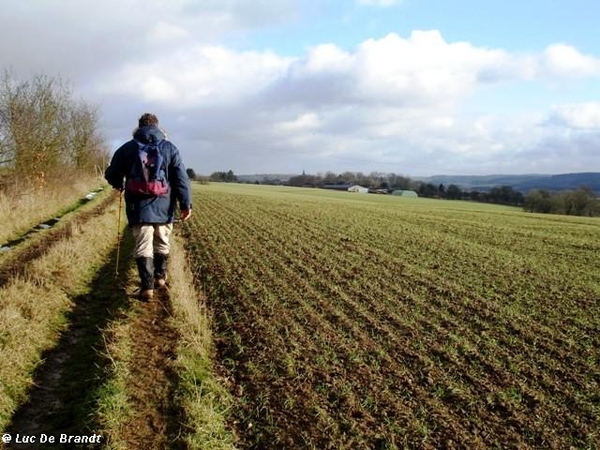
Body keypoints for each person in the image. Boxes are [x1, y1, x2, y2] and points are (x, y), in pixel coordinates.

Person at [105, 113, 192, 300]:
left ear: (138, 127)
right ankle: (160, 277)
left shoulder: (127, 148)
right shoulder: (170, 148)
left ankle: (146, 288)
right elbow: (181, 179)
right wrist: (186, 204)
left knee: (143, 243)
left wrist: (118, 183)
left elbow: (112, 173)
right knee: (162, 240)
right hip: (165, 205)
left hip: (138, 206)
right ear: (158, 127)